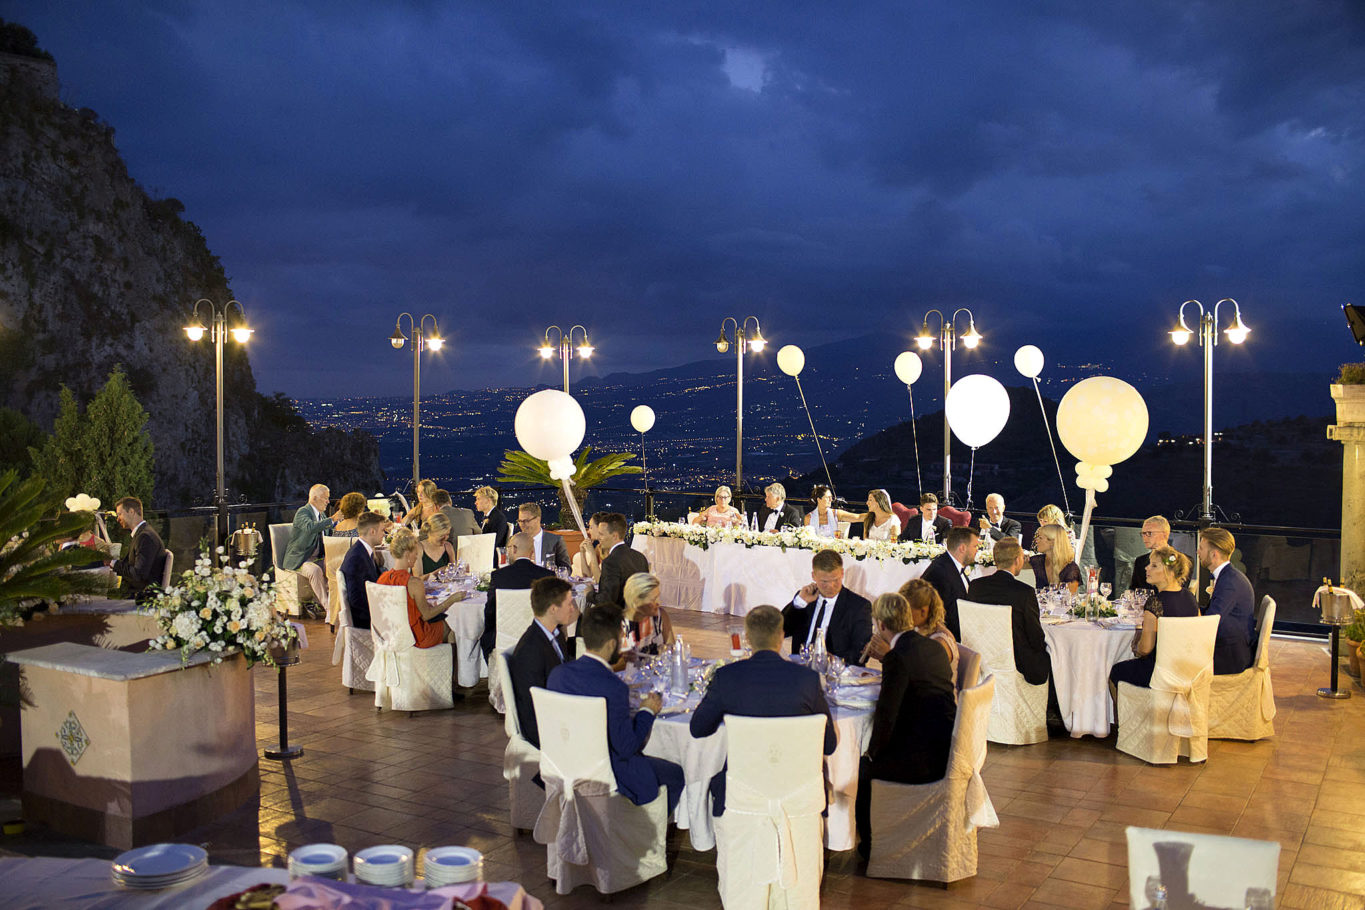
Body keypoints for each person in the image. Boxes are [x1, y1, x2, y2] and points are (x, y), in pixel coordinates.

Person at [690, 604, 837, 816]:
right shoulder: (808, 679)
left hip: (742, 790)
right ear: (781, 636)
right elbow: (829, 744)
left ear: (747, 638)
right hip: (800, 790)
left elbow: (698, 728)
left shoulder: (727, 677)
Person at [547, 604, 685, 814]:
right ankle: (643, 833)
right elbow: (627, 747)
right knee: (676, 773)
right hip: (608, 772)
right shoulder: (613, 687)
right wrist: (647, 711)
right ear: (612, 644)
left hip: (566, 766)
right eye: (622, 639)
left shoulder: (558, 675)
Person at [855, 592, 956, 858]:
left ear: (881, 625)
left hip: (922, 760)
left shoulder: (897, 658)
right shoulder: (933, 645)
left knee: (859, 771)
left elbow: (887, 717)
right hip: (946, 747)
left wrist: (871, 754)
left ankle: (871, 847)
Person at [1109, 545, 1201, 689]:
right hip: (1186, 670)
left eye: (1154, 566)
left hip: (1160, 672)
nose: (1146, 568)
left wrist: (1136, 646)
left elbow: (1145, 649)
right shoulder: (1190, 598)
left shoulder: (1155, 603)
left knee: (1115, 672)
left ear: (1169, 573)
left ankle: (1127, 712)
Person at [507, 576, 580, 750]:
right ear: (553, 609)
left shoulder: (555, 635)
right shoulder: (531, 649)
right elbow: (534, 705)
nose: (573, 609)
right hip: (543, 729)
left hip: (558, 712)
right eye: (569, 604)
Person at [966, 537, 1050, 686]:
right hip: (1016, 663)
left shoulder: (975, 586)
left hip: (981, 658)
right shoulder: (1024, 592)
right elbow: (1035, 636)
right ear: (1017, 560)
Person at [782, 548, 873, 666]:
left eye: (835, 580)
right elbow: (780, 630)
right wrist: (800, 602)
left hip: (837, 672)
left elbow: (861, 654)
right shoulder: (805, 598)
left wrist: (835, 661)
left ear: (842, 573)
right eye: (824, 581)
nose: (830, 586)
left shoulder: (859, 606)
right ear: (813, 576)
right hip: (801, 670)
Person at [378, 528, 459, 648]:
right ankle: (449, 664)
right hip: (416, 637)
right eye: (415, 553)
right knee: (455, 626)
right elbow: (426, 615)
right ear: (407, 555)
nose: (416, 557)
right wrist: (451, 600)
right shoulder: (414, 583)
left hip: (391, 634)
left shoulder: (382, 578)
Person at [481, 532, 554, 659]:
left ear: (514, 549)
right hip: (540, 639)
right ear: (532, 552)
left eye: (508, 548)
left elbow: (490, 611)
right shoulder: (547, 575)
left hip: (505, 642)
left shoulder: (499, 576)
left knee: (485, 637)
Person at [1198, 527, 1256, 675]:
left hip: (1229, 657)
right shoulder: (1229, 575)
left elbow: (1211, 621)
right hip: (1229, 647)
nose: (1198, 552)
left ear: (1214, 554)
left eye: (1201, 548)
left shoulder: (1229, 582)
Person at [885, 578, 960, 685]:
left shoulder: (940, 642)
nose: (901, 614)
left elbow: (920, 678)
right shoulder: (916, 630)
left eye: (905, 610)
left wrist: (888, 655)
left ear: (923, 611)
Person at [919, 525, 981, 639]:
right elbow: (940, 616)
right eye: (975, 546)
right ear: (962, 548)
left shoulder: (948, 565)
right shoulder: (940, 573)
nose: (977, 550)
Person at [282, 484, 335, 607]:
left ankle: (335, 601)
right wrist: (332, 520)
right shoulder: (303, 512)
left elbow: (329, 535)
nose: (328, 501)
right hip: (301, 559)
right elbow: (310, 527)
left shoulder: (322, 515)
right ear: (314, 498)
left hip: (318, 558)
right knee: (315, 570)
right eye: (325, 498)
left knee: (335, 564)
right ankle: (328, 607)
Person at [106, 496, 167, 602]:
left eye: (120, 514)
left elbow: (138, 575)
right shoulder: (141, 534)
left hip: (141, 598)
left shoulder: (145, 537)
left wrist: (113, 563)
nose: (118, 519)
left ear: (131, 511)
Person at [588, 513, 649, 610]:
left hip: (618, 619)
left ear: (615, 536)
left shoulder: (610, 562)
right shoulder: (640, 557)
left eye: (601, 534)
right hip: (639, 617)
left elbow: (607, 600)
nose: (599, 538)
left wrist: (589, 594)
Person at [339, 511, 385, 629]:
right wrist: (382, 614)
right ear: (372, 531)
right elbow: (356, 601)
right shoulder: (357, 558)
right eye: (382, 530)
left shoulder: (363, 551)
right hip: (366, 621)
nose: (384, 534)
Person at [622, 572, 675, 656]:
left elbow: (671, 650)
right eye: (653, 599)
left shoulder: (660, 616)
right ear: (636, 601)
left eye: (658, 597)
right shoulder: (620, 625)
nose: (659, 603)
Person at [517, 502, 571, 569]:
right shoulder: (516, 541)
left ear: (538, 519)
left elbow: (566, 568)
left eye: (526, 521)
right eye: (520, 521)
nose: (522, 525)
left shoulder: (555, 541)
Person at [1030, 524, 1081, 594]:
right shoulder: (1036, 561)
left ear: (1052, 542)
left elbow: (1069, 598)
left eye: (1040, 538)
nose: (1036, 540)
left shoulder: (1070, 568)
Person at [1130, 515, 1170, 596]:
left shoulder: (1180, 560)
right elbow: (1133, 590)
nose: (1145, 537)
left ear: (1164, 534)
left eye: (1149, 533)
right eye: (1143, 533)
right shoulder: (1140, 561)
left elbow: (1177, 593)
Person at [417, 512, 457, 577]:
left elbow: (453, 573)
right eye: (441, 536)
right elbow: (417, 579)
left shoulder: (448, 547)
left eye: (447, 534)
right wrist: (437, 573)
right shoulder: (419, 548)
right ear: (430, 533)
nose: (445, 538)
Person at [573, 511, 608, 580]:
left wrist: (592, 554)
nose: (588, 531)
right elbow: (587, 575)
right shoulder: (599, 547)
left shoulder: (611, 549)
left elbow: (601, 581)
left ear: (600, 527)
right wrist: (582, 552)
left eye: (591, 527)